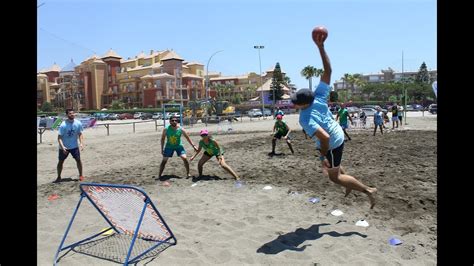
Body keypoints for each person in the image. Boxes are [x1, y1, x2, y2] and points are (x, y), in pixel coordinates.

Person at [290, 30, 377, 209]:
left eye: (295, 103)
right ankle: (348, 185)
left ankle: (367, 190)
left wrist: (322, 154)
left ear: (302, 104)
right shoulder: (319, 95)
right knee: (335, 165)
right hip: (337, 133)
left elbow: (324, 138)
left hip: (332, 140)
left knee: (333, 176)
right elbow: (328, 70)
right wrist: (321, 48)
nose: (293, 105)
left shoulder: (305, 118)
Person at [54, 108, 85, 183]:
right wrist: (63, 147)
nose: (72, 114)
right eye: (70, 113)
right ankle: (58, 177)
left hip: (74, 146)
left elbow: (80, 133)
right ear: (67, 115)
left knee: (78, 160)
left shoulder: (78, 123)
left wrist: (81, 143)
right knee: (61, 161)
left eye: (73, 113)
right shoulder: (63, 125)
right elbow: (59, 138)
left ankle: (81, 175)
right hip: (64, 147)